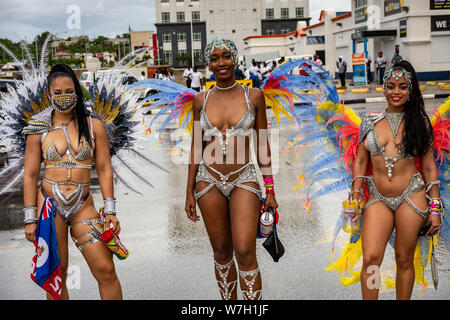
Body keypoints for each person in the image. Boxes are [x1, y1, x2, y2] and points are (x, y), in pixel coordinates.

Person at [184, 37, 278, 300]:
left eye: (226, 56)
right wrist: (189, 191)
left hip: (243, 179)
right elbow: (195, 147)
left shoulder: (254, 96)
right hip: (208, 180)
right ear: (208, 64)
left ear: (235, 59)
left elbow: (262, 146)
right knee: (221, 251)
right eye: (214, 58)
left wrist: (269, 189)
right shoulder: (201, 100)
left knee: (246, 250)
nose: (221, 62)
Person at [23, 64, 123, 300]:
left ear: (77, 93)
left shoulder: (93, 125)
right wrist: (30, 218)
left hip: (83, 206)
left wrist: (110, 210)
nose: (64, 97)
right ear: (48, 95)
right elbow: (30, 174)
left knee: (106, 270)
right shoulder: (38, 129)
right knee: (57, 274)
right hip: (50, 207)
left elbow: (104, 167)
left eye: (69, 91)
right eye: (58, 93)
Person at [351, 60, 442, 300]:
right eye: (391, 86)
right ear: (384, 88)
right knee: (371, 258)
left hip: (411, 196)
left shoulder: (420, 123)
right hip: (378, 197)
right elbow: (360, 162)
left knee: (404, 258)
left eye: (402, 87)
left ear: (410, 91)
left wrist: (435, 207)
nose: (396, 92)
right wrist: (355, 196)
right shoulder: (369, 121)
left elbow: (430, 169)